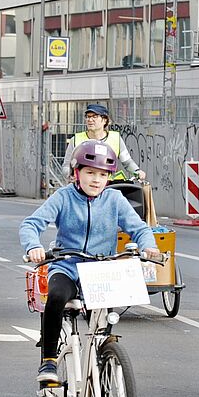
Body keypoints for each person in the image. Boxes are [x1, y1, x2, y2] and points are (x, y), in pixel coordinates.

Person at [19, 140, 160, 384]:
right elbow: (31, 224)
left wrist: (149, 247)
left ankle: (105, 360)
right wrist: (34, 246)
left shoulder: (115, 200)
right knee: (56, 297)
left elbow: (139, 228)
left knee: (104, 323)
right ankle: (49, 361)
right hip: (68, 267)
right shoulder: (63, 197)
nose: (96, 180)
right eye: (90, 172)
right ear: (77, 173)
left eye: (103, 175)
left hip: (101, 271)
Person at [61, 104, 145, 183]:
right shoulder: (76, 140)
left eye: (95, 116)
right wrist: (72, 175)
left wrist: (137, 171)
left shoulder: (115, 138)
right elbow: (66, 166)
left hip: (110, 186)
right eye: (88, 117)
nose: (90, 120)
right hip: (85, 186)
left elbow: (127, 162)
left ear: (104, 120)